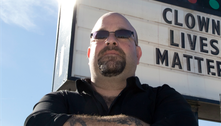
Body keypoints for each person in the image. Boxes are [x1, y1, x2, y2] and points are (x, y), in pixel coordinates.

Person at [25, 12, 198, 126]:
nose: (110, 40)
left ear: (138, 55)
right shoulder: (59, 100)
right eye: (100, 35)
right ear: (89, 53)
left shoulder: (164, 98)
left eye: (123, 34)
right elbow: (35, 122)